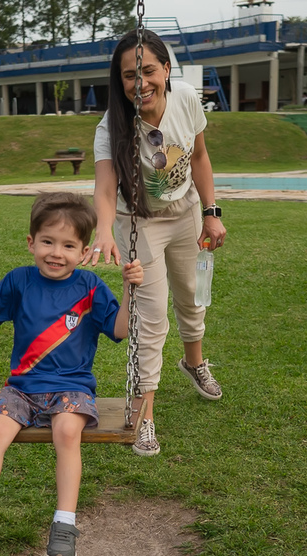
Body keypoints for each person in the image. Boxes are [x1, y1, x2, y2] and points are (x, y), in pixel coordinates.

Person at [0, 192, 144, 556]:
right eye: (48, 242)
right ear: (31, 243)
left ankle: (64, 523)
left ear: (84, 252)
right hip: (21, 388)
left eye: (69, 245)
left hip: (72, 387)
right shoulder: (20, 282)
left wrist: (130, 289)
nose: (56, 253)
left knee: (68, 432)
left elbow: (119, 330)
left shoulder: (90, 287)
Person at [86, 30, 226, 457]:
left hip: (184, 215)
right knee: (150, 320)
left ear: (166, 69)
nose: (140, 82)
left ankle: (194, 363)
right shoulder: (111, 127)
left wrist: (211, 210)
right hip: (139, 224)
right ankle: (145, 414)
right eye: (130, 75)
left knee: (192, 298)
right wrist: (105, 229)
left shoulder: (186, 100)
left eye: (148, 70)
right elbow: (106, 188)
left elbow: (199, 157)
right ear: (120, 81)